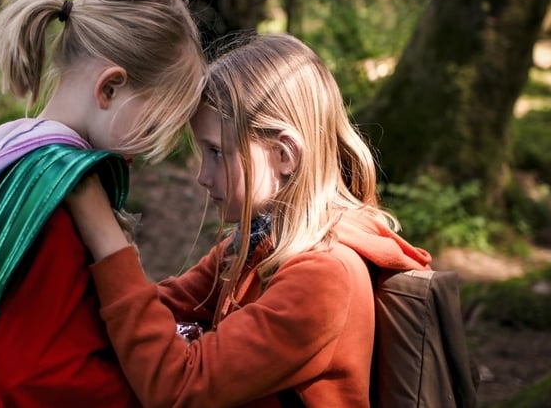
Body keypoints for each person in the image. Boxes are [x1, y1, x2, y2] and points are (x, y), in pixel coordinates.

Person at [66, 33, 432, 407]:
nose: (203, 177)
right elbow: (154, 311)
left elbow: (178, 388)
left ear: (285, 155)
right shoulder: (250, 247)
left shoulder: (324, 277)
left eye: (216, 153)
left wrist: (107, 240)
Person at [0, 0, 205, 407]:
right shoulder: (58, 198)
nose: (150, 149)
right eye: (152, 127)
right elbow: (44, 369)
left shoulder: (14, 150)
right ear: (110, 88)